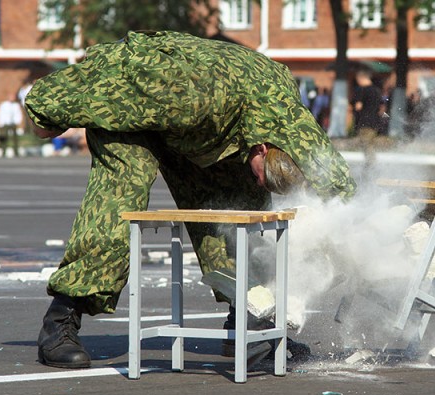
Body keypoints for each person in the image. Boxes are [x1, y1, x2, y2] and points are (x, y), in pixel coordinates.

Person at [24, 30, 357, 369]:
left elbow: (333, 176)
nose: (263, 182)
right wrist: (45, 111)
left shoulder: (286, 112)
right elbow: (107, 75)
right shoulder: (185, 92)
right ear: (262, 147)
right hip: (138, 101)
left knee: (243, 212)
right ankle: (60, 323)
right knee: (121, 195)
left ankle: (248, 321)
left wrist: (371, 231)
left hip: (203, 130)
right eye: (263, 173)